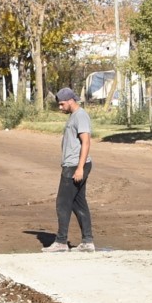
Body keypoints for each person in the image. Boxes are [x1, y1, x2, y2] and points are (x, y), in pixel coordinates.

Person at [42, 87, 95, 252]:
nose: (60, 107)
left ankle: (61, 242)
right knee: (79, 204)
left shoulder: (80, 116)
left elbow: (86, 142)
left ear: (71, 101)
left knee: (62, 203)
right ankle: (87, 242)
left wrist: (79, 168)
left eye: (62, 104)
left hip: (74, 166)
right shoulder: (74, 116)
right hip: (73, 165)